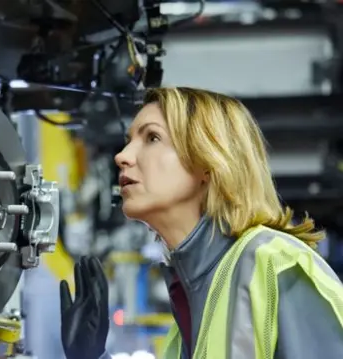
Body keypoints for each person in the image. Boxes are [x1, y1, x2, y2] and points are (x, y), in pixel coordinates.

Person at [59, 87, 343, 359]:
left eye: (152, 138)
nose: (122, 156)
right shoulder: (187, 314)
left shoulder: (273, 264)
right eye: (128, 140)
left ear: (208, 162)